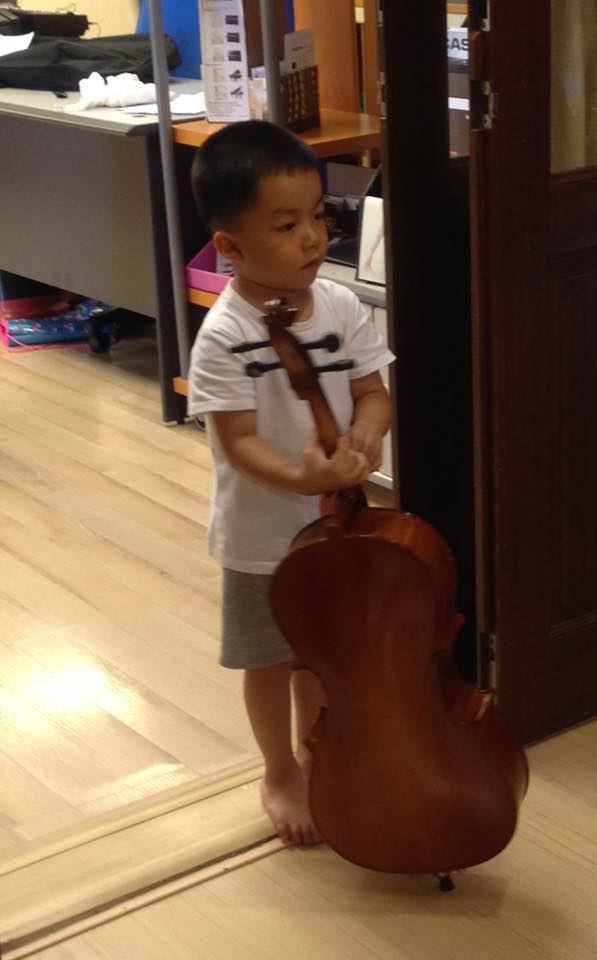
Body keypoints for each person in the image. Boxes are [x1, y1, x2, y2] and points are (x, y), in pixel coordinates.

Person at [187, 120, 394, 846]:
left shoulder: (339, 305)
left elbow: (373, 392)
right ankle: (278, 770)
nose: (312, 238)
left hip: (334, 527)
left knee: (320, 656)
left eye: (317, 216)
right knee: (270, 660)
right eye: (285, 225)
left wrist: (368, 434)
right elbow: (239, 444)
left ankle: (317, 753)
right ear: (231, 246)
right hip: (261, 539)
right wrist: (301, 477)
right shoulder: (223, 335)